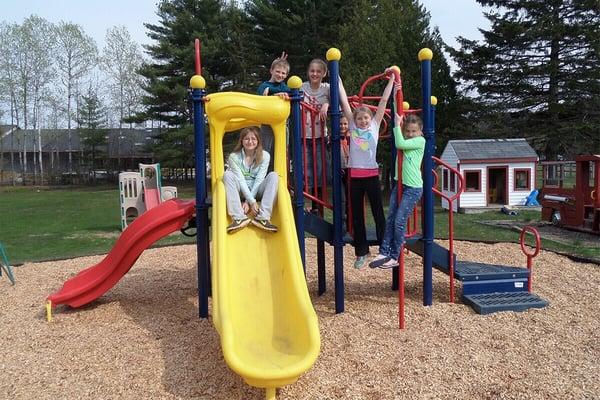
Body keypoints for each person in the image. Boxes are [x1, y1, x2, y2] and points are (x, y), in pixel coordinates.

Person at [339, 73, 395, 269]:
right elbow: (344, 101)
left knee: (378, 212)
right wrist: (337, 77)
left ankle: (384, 249)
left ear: (371, 119)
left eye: (365, 118)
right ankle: (361, 252)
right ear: (355, 120)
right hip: (355, 176)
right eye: (360, 118)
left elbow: (384, 101)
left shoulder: (375, 126)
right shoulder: (352, 126)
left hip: (371, 175)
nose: (363, 121)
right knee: (357, 216)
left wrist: (391, 81)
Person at [369, 107, 425, 269]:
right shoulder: (407, 141)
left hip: (413, 188)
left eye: (414, 131)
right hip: (400, 184)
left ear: (420, 131)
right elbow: (401, 141)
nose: (410, 134)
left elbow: (399, 142)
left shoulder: (420, 141)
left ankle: (395, 256)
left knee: (399, 221)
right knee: (391, 219)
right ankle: (384, 251)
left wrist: (396, 124)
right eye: (407, 131)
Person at [223, 126, 279, 233]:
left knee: (273, 176)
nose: (250, 141)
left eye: (253, 139)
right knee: (228, 175)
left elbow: (259, 180)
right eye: (247, 139)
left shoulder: (265, 156)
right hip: (240, 190)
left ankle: (263, 218)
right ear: (242, 141)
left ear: (258, 141)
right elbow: (240, 180)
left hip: (257, 190)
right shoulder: (234, 157)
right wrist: (251, 202)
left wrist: (249, 202)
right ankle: (239, 217)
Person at [301, 59, 330, 198]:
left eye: (318, 71)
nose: (315, 73)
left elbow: (340, 100)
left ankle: (317, 204)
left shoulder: (327, 88)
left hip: (320, 136)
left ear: (324, 73)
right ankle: (303, 201)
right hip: (303, 136)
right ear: (308, 72)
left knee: (319, 170)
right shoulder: (301, 87)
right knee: (305, 170)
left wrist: (327, 104)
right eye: (312, 70)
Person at [258, 52, 291, 172]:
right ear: (271, 70)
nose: (280, 75)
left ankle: (281, 180)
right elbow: (262, 95)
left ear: (286, 75)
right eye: (277, 71)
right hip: (267, 125)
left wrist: (282, 95)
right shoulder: (264, 85)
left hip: (282, 124)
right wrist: (275, 95)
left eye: (283, 73)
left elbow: (291, 94)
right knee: (265, 153)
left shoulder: (284, 87)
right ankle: (264, 179)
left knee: (281, 153)